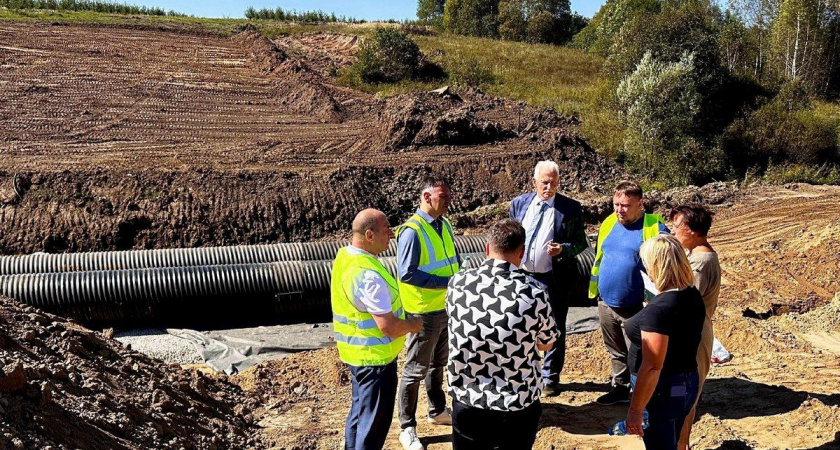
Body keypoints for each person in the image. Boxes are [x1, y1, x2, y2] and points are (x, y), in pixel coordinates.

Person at [446, 219, 558, 450]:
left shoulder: (458, 283)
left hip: (468, 400)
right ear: (522, 252)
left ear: (487, 248)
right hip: (515, 404)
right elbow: (546, 344)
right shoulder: (534, 293)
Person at [332, 209, 423, 450]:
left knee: (359, 415)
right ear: (369, 234)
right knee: (372, 427)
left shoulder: (346, 257)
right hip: (376, 363)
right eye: (386, 230)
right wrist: (413, 325)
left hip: (358, 356)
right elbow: (389, 327)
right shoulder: (368, 275)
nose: (391, 235)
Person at [509, 160, 588, 396]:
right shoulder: (519, 204)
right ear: (534, 182)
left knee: (553, 327)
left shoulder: (570, 208)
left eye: (554, 182)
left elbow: (581, 243)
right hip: (521, 275)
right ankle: (524, 371)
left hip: (552, 278)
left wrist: (563, 249)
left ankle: (550, 377)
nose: (549, 187)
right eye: (544, 182)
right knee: (520, 325)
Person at [623, 234, 706, 450]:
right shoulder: (690, 294)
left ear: (657, 265)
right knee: (672, 437)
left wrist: (635, 410)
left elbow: (652, 366)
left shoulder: (660, 309)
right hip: (685, 381)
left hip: (661, 390)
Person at [589, 181, 668, 405]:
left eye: (625, 205)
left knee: (640, 354)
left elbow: (669, 259)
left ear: (640, 203)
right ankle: (620, 388)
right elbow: (600, 257)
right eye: (616, 204)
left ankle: (643, 395)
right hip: (606, 302)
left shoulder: (653, 227)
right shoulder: (609, 223)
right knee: (615, 351)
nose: (619, 210)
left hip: (636, 306)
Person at [397, 176, 461, 450]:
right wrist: (446, 282)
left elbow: (450, 261)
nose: (448, 200)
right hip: (423, 312)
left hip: (445, 307)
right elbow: (407, 272)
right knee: (415, 369)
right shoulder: (412, 231)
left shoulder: (444, 224)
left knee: (438, 365)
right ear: (426, 197)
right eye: (442, 196)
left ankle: (437, 411)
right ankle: (407, 427)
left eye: (448, 196)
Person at [670, 205, 721, 450]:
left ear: (691, 230)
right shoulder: (695, 256)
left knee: (686, 395)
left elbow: (686, 302)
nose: (673, 231)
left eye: (677, 226)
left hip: (693, 335)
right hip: (689, 331)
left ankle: (682, 444)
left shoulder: (701, 261)